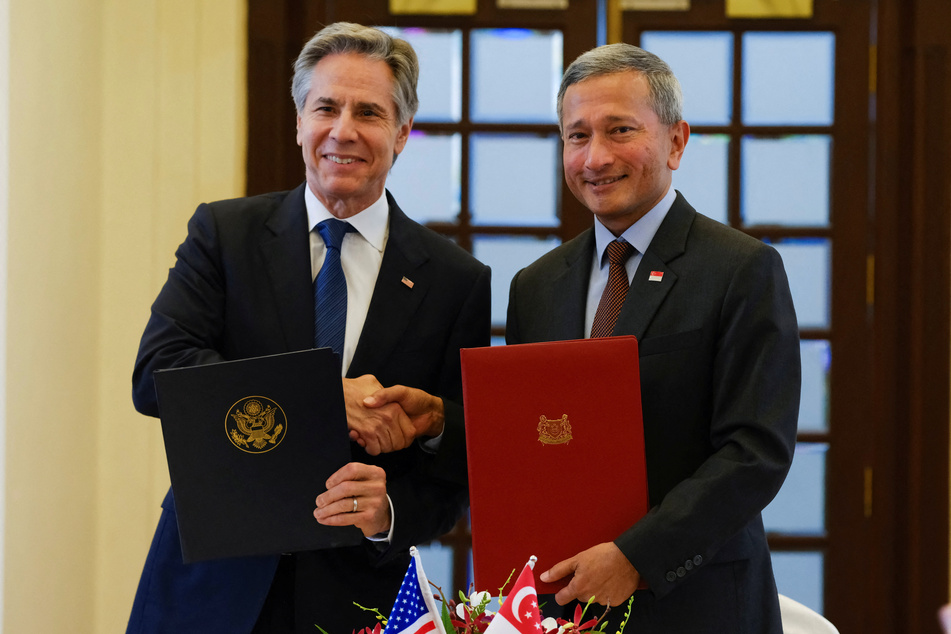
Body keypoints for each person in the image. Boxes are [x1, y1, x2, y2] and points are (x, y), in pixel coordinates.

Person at [126, 22, 491, 634]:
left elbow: (461, 457)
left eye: (369, 112)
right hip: (211, 589)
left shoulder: (455, 279)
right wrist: (324, 400)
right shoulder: (225, 235)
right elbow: (156, 376)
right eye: (326, 107)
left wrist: (389, 514)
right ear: (299, 120)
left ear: (402, 133)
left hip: (359, 599)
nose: (343, 130)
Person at [505, 43, 800, 632]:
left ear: (676, 140)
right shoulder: (534, 286)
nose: (596, 157)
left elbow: (755, 452)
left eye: (620, 130)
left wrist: (636, 557)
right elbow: (531, 441)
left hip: (700, 603)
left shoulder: (741, 269)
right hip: (565, 600)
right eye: (576, 135)